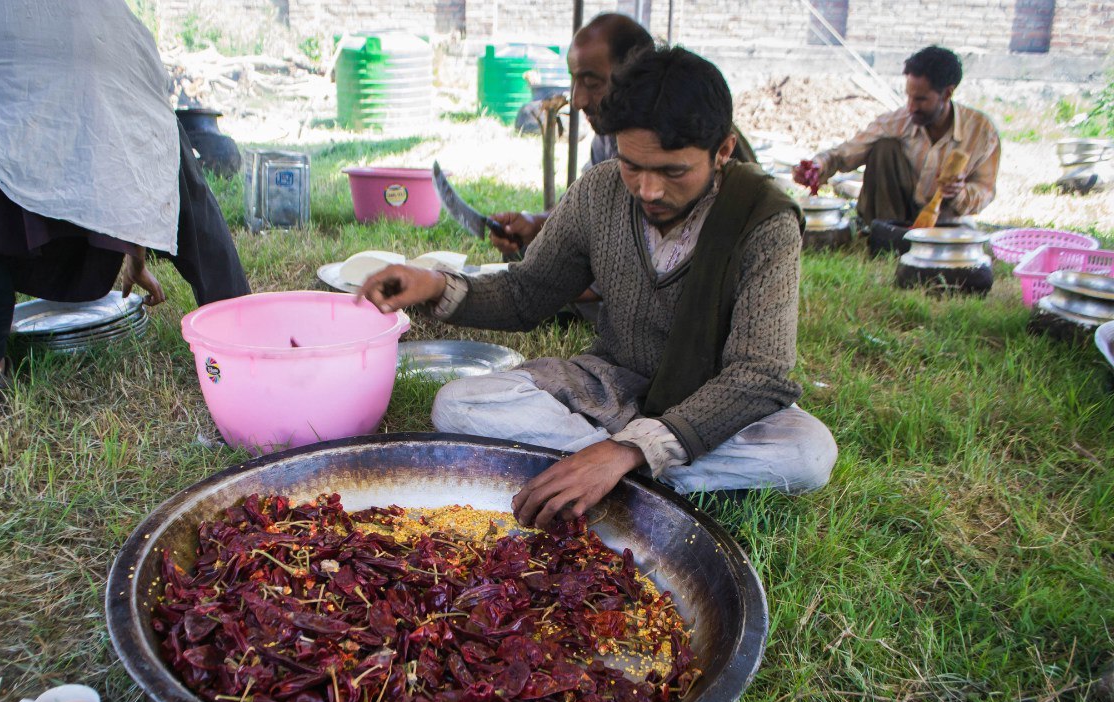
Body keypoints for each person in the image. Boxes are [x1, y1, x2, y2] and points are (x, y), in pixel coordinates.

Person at [360, 47, 838, 528]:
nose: (647, 190)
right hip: (610, 387)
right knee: (459, 404)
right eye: (633, 164)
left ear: (724, 150)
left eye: (672, 171)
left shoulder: (764, 218)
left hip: (713, 408)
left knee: (808, 452)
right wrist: (436, 285)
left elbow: (759, 375)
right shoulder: (599, 190)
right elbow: (528, 293)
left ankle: (608, 469)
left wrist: (627, 449)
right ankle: (634, 477)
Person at [0, 0, 251, 411]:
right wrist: (136, 244)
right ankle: (245, 327)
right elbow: (127, 166)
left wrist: (134, 255)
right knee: (162, 161)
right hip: (105, 39)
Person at [488, 13, 757, 257]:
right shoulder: (608, 138)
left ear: (638, 74)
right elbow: (588, 215)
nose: (577, 99)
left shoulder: (703, 137)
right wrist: (536, 224)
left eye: (592, 83)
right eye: (574, 80)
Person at [794, 45, 1001, 225]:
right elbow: (845, 153)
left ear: (947, 94)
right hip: (894, 216)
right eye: (909, 96)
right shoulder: (897, 121)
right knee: (885, 147)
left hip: (946, 221)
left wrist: (959, 193)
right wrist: (817, 166)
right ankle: (886, 232)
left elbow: (985, 190)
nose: (911, 107)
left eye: (920, 99)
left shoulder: (981, 132)